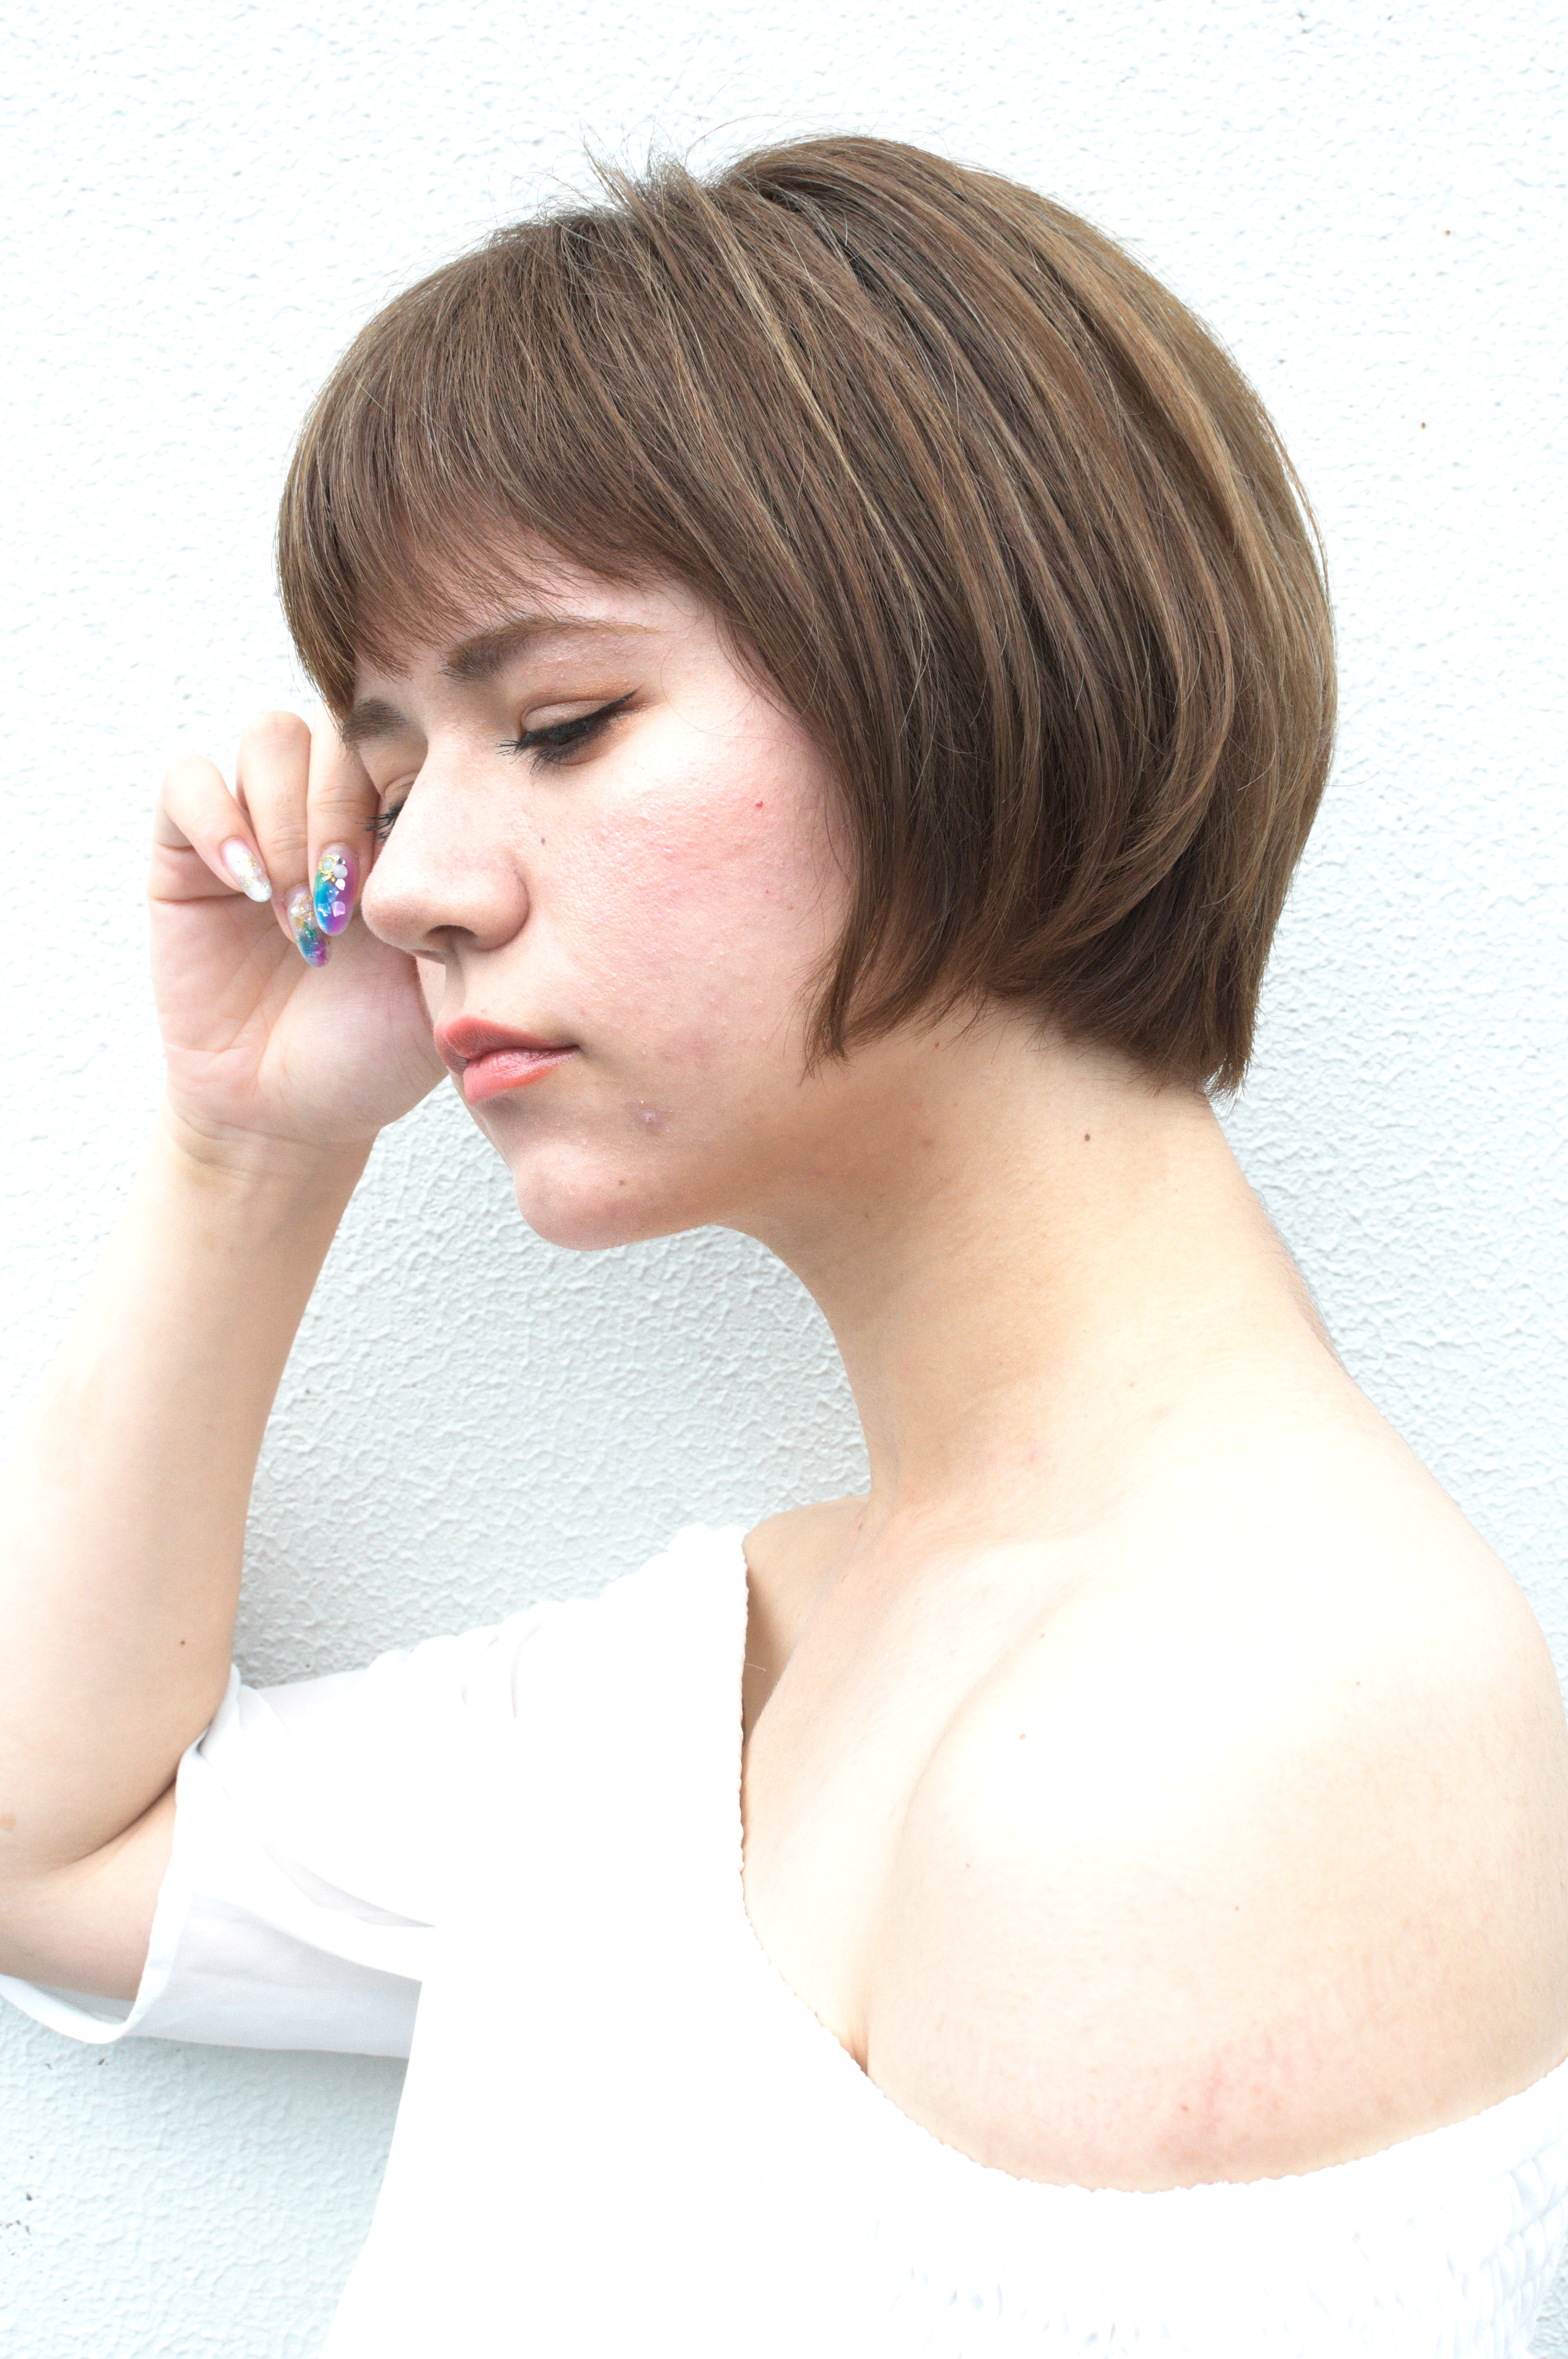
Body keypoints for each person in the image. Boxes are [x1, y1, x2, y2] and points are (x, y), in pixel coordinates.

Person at [1, 134, 1565, 2357]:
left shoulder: (1212, 1744)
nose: (416, 883)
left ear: (974, 670)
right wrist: (251, 1143)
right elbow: (55, 1844)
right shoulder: (731, 1663)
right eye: (395, 776)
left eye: (560, 725)